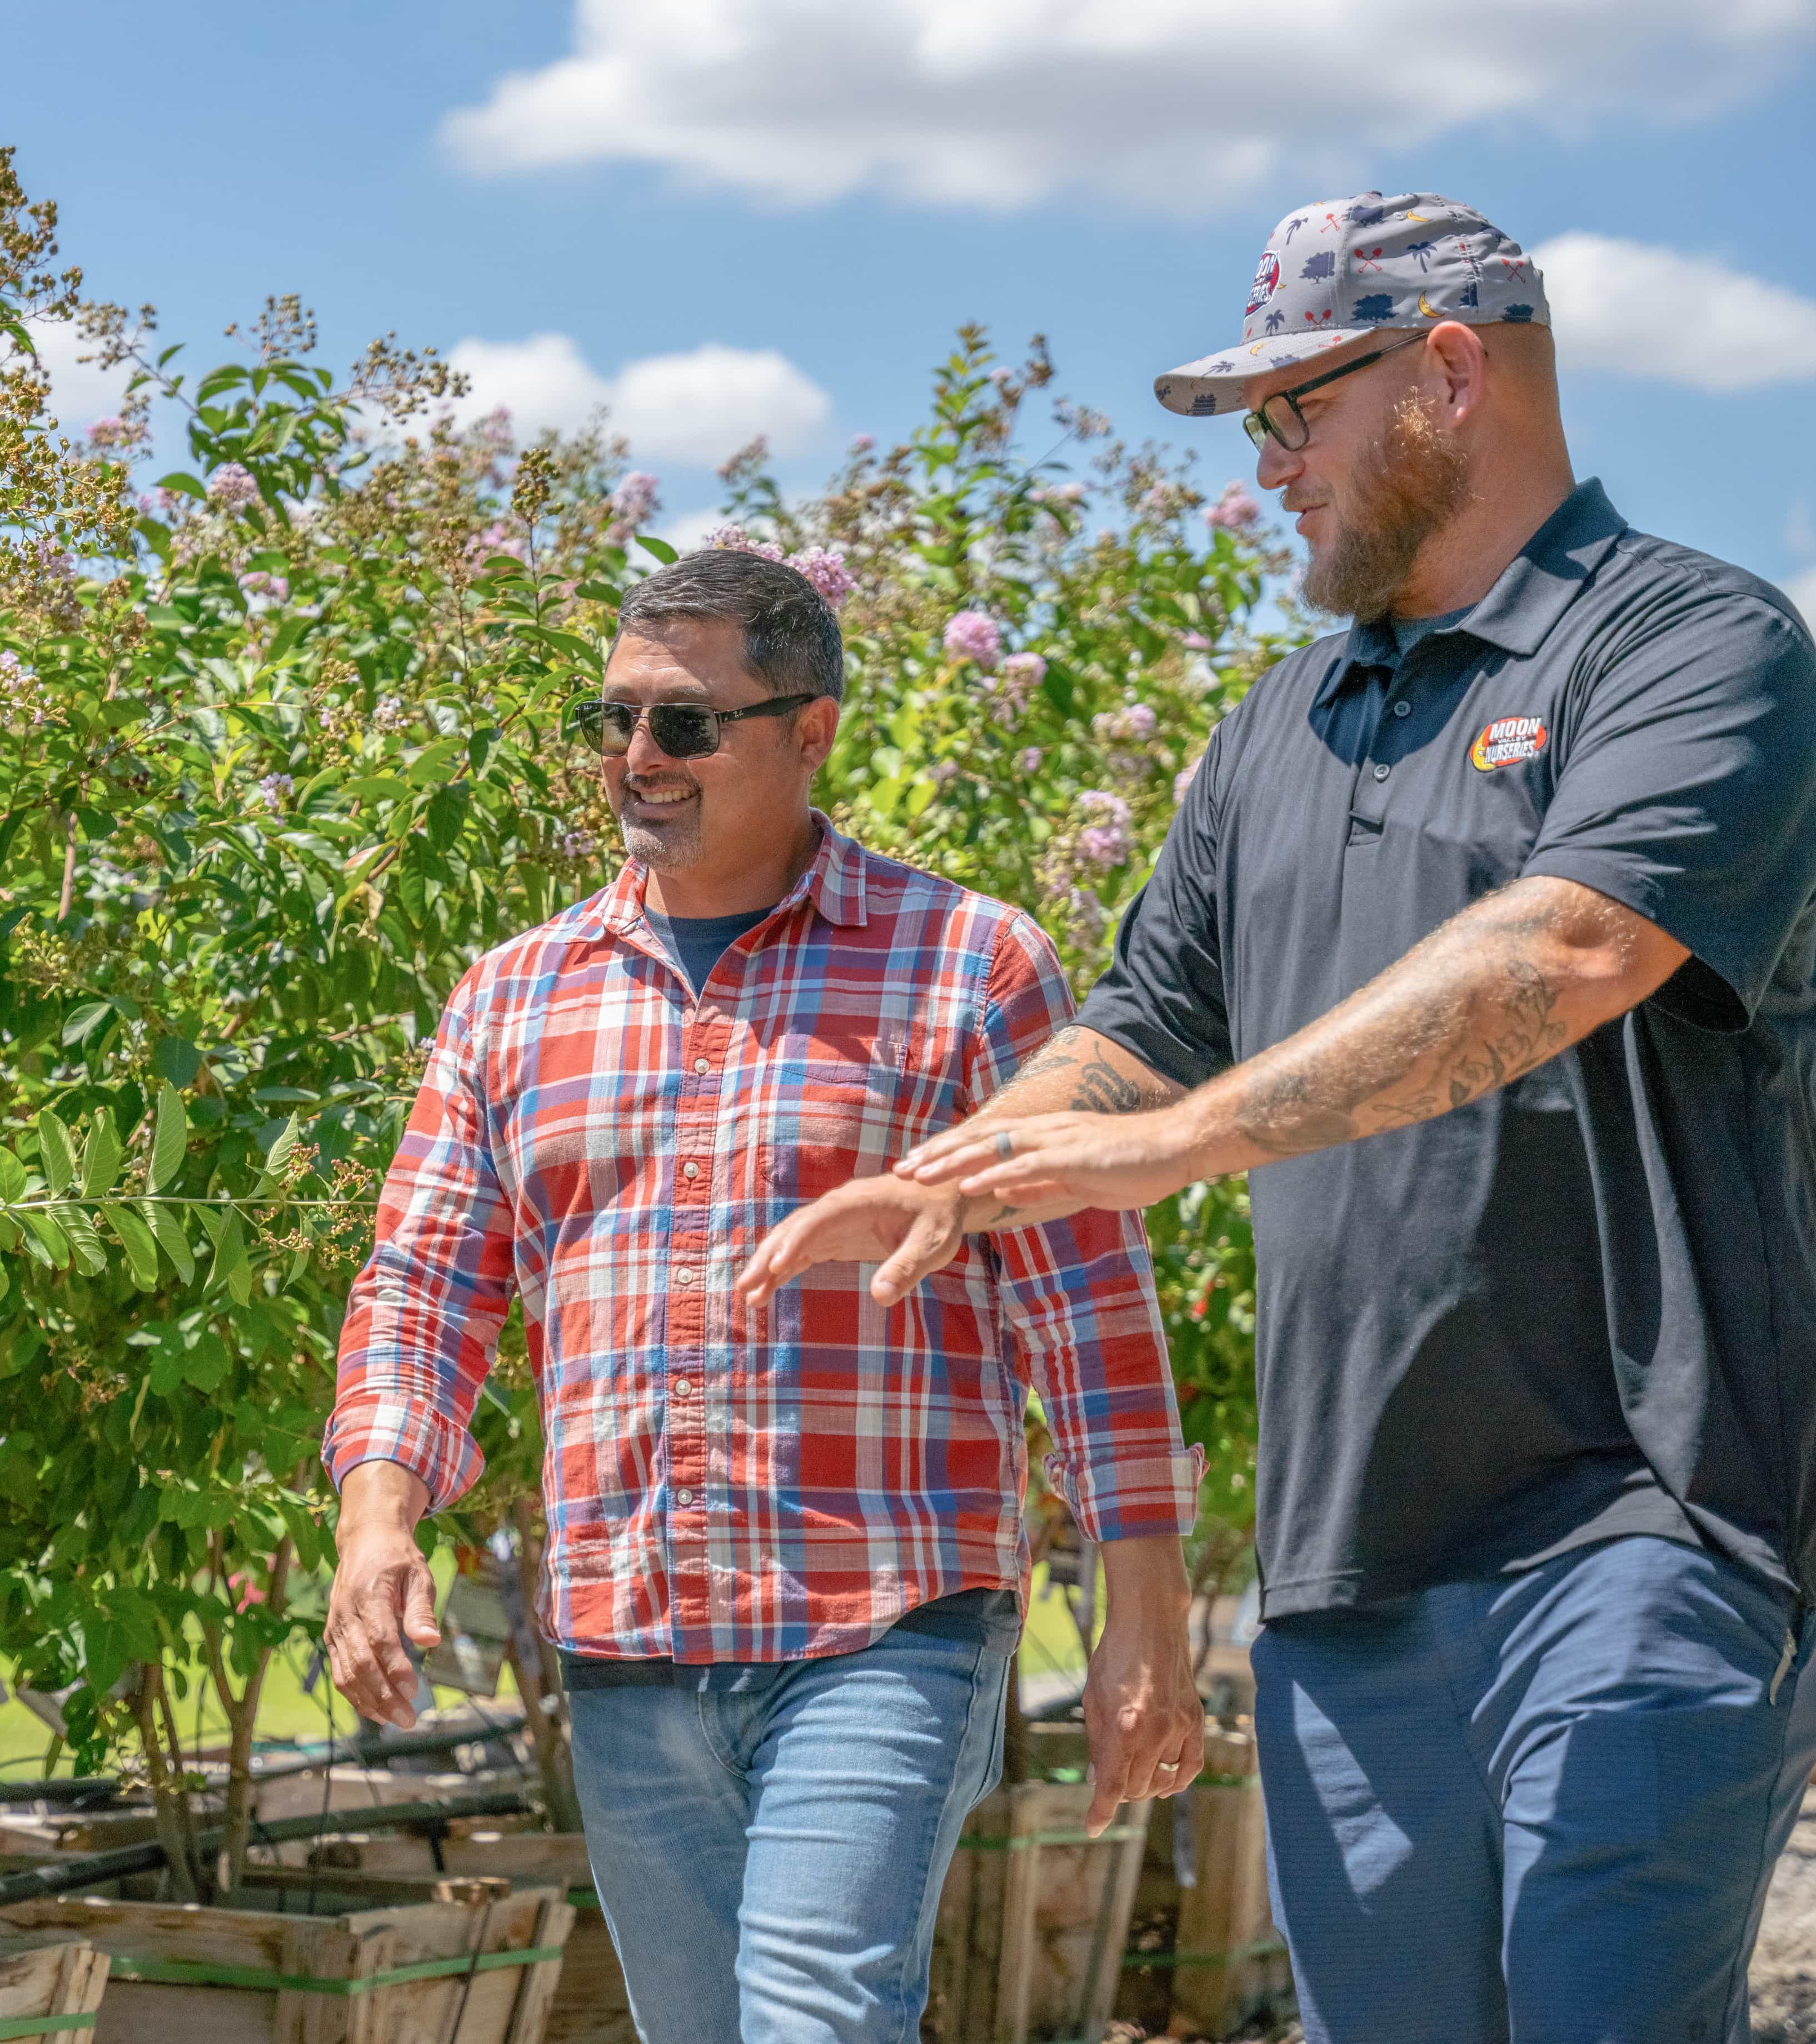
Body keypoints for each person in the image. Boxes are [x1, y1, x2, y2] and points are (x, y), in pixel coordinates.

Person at [739, 193, 1816, 2044]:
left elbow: (1571, 948)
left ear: (1446, 374)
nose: (1264, 471)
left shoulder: (1689, 643)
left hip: (1645, 1531)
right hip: (1347, 1573)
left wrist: (1179, 1147)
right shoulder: (1281, 724)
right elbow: (1149, 1024)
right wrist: (951, 1178)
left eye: (1293, 416)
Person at [322, 550, 1206, 2044]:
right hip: (625, 1639)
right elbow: (422, 1284)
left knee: (814, 2017)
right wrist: (379, 1517)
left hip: (888, 1621)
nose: (637, 760)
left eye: (685, 725)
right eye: (615, 723)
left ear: (812, 734)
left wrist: (1149, 1614)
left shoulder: (969, 966)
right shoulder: (514, 997)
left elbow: (1091, 1303)